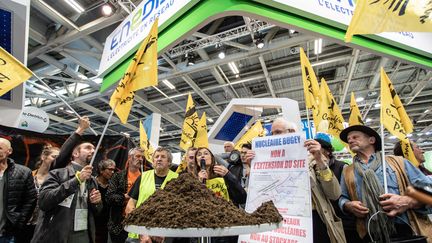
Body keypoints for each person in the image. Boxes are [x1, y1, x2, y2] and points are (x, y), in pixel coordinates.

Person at [246, 118, 345, 243]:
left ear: (292, 132)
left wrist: (320, 160)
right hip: (279, 223)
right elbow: (258, 195)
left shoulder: (312, 159)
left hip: (311, 222)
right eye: (271, 134)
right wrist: (253, 168)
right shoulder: (265, 160)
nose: (272, 137)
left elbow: (334, 194)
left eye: (277, 132)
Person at [338, 125, 432, 242]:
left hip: (406, 231)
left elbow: (429, 191)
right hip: (369, 234)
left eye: (355, 137)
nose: (350, 140)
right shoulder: (348, 171)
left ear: (371, 140)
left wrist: (408, 201)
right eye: (349, 139)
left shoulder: (398, 163)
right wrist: (348, 206)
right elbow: (342, 197)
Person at [31, 136, 103, 243]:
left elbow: (97, 211)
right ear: (75, 154)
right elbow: (44, 202)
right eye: (88, 148)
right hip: (58, 234)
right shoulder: (57, 174)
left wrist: (97, 202)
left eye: (93, 148)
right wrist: (76, 180)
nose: (93, 151)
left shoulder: (92, 180)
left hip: (84, 234)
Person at [125, 147, 179, 243]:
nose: (159, 159)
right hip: (139, 236)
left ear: (169, 162)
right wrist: (142, 231)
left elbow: (181, 210)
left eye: (163, 157)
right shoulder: (143, 177)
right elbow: (130, 205)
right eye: (156, 157)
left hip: (167, 235)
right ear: (153, 162)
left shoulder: (178, 179)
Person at [315, 138, 360, 243]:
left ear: (327, 151)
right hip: (324, 218)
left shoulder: (342, 167)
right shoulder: (312, 167)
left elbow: (345, 192)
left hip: (343, 218)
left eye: (318, 148)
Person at [20, 146, 60, 243]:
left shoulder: (57, 180)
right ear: (43, 157)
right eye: (54, 157)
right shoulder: (28, 175)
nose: (56, 160)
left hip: (43, 224)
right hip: (24, 222)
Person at [0, 138, 37, 243]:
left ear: (9, 151)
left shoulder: (23, 172)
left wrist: (19, 221)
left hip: (7, 233)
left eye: (0, 148)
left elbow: (31, 199)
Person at [106, 148, 144, 243]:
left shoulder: (146, 177)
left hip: (138, 223)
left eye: (142, 157)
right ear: (130, 158)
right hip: (118, 224)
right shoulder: (118, 176)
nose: (141, 159)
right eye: (138, 156)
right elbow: (109, 197)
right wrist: (126, 196)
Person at [94, 159, 116, 243]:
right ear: (101, 170)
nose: (112, 172)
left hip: (106, 225)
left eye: (113, 170)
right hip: (93, 223)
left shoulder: (113, 186)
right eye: (110, 169)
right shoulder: (92, 183)